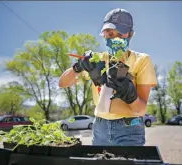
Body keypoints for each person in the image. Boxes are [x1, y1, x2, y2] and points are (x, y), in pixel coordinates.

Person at [59, 8, 157, 146]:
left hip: (129, 129)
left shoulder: (142, 60)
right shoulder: (97, 59)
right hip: (100, 128)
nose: (115, 38)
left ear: (130, 34)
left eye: (120, 33)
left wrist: (130, 96)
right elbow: (62, 83)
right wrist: (78, 67)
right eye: (110, 34)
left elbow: (140, 109)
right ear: (104, 35)